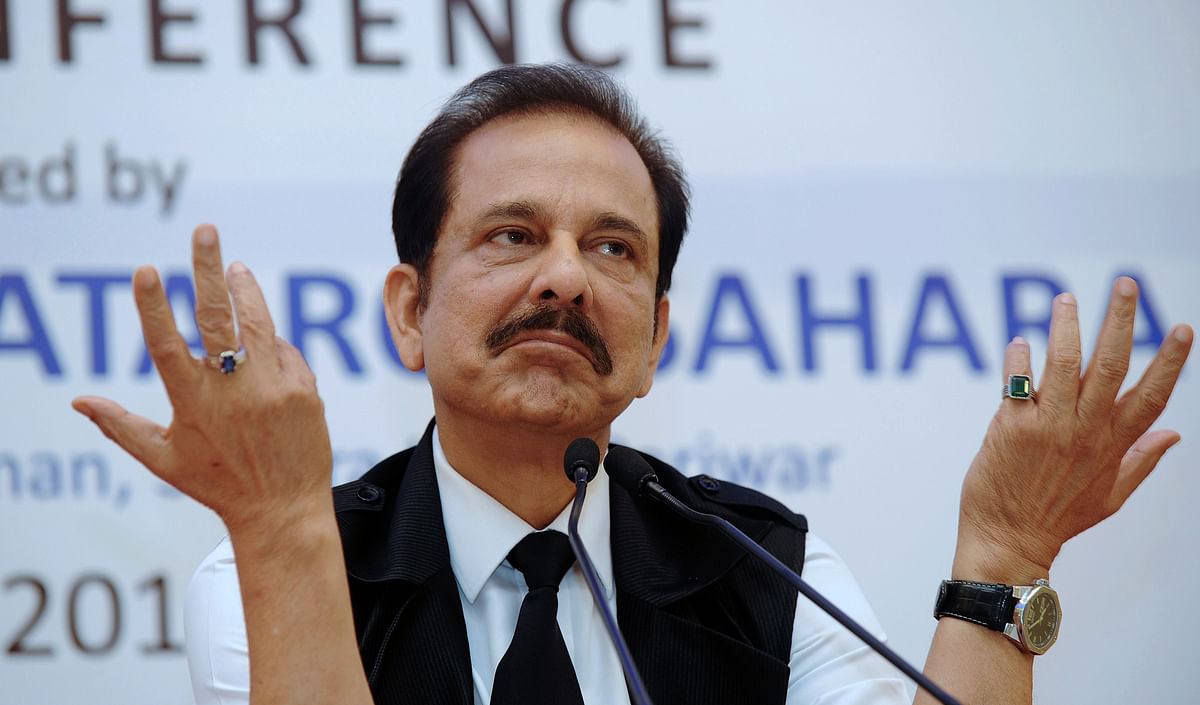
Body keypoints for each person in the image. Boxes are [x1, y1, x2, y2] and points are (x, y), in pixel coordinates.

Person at [72, 64, 1192, 705]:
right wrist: (278, 519)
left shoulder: (773, 573)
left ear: (653, 340)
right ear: (411, 312)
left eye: (613, 251)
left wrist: (1003, 557)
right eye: (514, 235)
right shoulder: (278, 567)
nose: (565, 278)